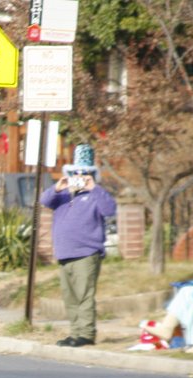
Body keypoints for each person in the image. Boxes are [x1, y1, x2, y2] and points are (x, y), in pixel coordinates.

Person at [39, 144, 117, 347]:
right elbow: (45, 200)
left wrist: (94, 187)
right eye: (75, 173)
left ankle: (86, 334)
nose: (79, 176)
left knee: (84, 295)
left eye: (84, 173)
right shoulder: (62, 196)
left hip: (87, 252)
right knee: (70, 297)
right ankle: (75, 332)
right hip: (65, 253)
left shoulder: (95, 195)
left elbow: (109, 210)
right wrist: (59, 185)